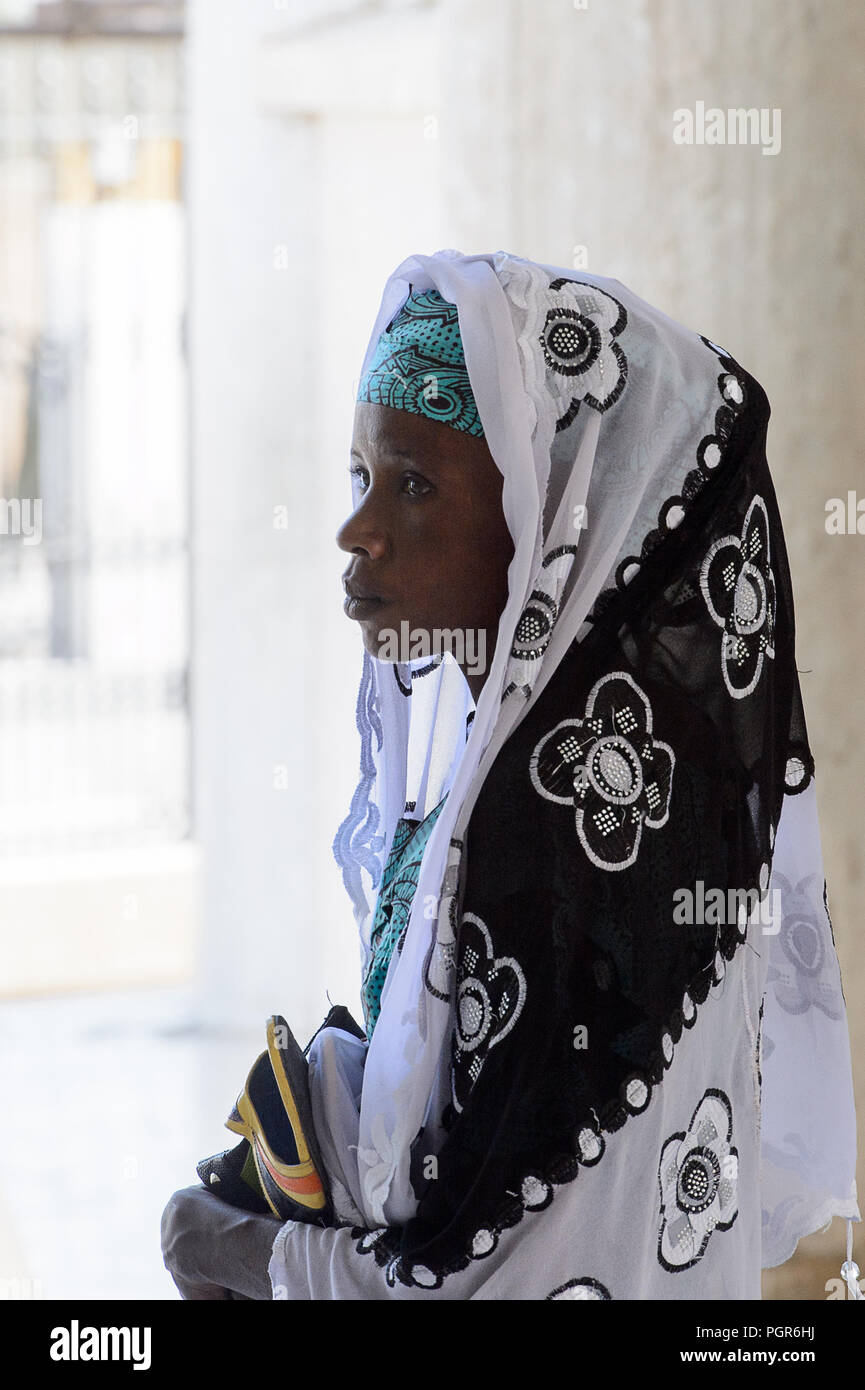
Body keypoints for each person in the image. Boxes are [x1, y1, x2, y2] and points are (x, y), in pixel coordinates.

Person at [162, 249, 859, 1300]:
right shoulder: (510, 783)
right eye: (360, 479)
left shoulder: (584, 822)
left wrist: (231, 1246)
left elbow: (522, 1266)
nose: (357, 532)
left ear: (550, 515)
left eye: (412, 484)